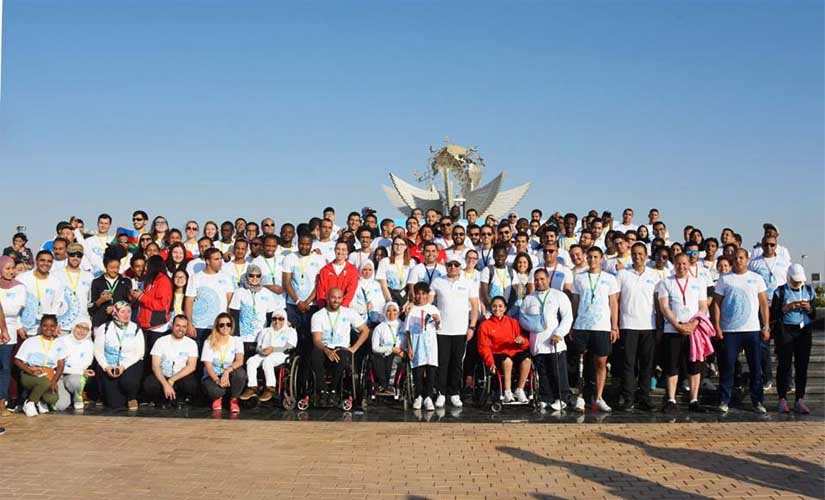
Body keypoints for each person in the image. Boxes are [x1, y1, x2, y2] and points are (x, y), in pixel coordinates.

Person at [712, 248, 770, 414]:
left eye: (741, 258)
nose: (738, 260)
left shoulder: (756, 278)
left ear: (747, 259)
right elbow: (716, 303)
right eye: (736, 258)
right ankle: (724, 400)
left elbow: (764, 304)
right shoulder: (725, 279)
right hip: (730, 330)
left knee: (755, 367)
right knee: (728, 366)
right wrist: (717, 326)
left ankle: (757, 401)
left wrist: (766, 325)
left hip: (752, 330)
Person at [657, 253, 709, 413]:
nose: (681, 267)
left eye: (684, 263)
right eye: (678, 264)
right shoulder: (666, 282)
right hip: (672, 330)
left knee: (694, 366)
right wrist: (677, 325)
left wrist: (694, 323)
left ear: (689, 264)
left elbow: (703, 306)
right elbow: (664, 307)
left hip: (694, 330)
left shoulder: (698, 282)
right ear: (674, 264)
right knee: (672, 365)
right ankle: (671, 399)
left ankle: (694, 399)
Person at [570, 246, 619, 412]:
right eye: (590, 257)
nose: (592, 260)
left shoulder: (610, 278)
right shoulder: (579, 278)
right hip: (582, 325)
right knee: (581, 363)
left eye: (596, 257)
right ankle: (580, 397)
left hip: (602, 326)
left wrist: (614, 326)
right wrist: (572, 323)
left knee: (601, 362)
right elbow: (575, 302)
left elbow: (613, 303)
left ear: (601, 259)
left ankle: (598, 397)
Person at [519, 268, 574, 411]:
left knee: (557, 372)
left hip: (554, 342)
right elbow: (522, 318)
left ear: (548, 279)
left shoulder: (559, 295)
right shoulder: (529, 298)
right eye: (536, 280)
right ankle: (545, 398)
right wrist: (533, 325)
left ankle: (562, 398)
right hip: (537, 343)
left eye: (542, 279)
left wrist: (559, 333)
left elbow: (568, 317)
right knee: (542, 373)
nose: (539, 282)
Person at [615, 242, 661, 411]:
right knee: (628, 364)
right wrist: (615, 324)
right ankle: (628, 398)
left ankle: (644, 397)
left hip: (649, 325)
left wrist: (660, 325)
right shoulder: (622, 274)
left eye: (641, 254)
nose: (637, 257)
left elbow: (658, 302)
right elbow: (616, 300)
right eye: (634, 253)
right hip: (628, 324)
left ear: (646, 256)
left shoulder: (654, 275)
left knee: (647, 364)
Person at [429, 258, 479, 408]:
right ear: (446, 266)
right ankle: (441, 393)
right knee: (442, 363)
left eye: (456, 265)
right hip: (442, 330)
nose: (453, 267)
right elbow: (429, 303)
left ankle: (455, 393)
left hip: (461, 330)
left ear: (460, 266)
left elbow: (475, 306)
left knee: (457, 363)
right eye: (449, 265)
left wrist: (472, 327)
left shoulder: (468, 282)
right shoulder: (437, 281)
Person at [309, 288, 370, 408]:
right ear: (327, 298)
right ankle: (322, 391)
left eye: (339, 298)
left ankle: (334, 391)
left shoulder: (349, 313)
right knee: (315, 355)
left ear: (342, 299)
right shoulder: (318, 316)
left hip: (342, 348)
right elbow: (316, 340)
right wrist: (327, 351)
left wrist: (354, 348)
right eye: (333, 297)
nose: (336, 300)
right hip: (324, 348)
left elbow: (365, 330)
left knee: (342, 356)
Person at [748, 234, 791, 391]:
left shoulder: (784, 262)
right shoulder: (754, 263)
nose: (769, 247)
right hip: (762, 305)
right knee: (763, 345)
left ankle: (788, 380)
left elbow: (791, 282)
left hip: (780, 306)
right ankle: (767, 377)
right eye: (766, 244)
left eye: (772, 245)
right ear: (762, 245)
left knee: (784, 345)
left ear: (776, 246)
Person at [770, 264, 814, 414]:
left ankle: (799, 399)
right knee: (784, 365)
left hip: (804, 331)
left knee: (802, 365)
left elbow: (814, 314)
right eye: (794, 280)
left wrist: (809, 308)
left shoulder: (809, 291)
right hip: (785, 331)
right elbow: (773, 314)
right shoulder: (780, 291)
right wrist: (787, 308)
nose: (797, 283)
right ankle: (782, 398)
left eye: (799, 280)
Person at [478, 296, 531, 403]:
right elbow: (483, 347)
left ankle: (519, 389)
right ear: (491, 308)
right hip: (498, 353)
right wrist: (490, 362)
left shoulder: (513, 322)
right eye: (494, 306)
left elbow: (524, 342)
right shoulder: (485, 325)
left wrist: (522, 341)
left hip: (514, 351)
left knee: (527, 360)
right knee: (507, 361)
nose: (497, 309)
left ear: (505, 308)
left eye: (500, 306)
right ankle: (507, 391)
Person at [94, 301, 145, 410]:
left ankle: (132, 397)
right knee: (115, 404)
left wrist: (123, 366)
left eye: (129, 311)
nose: (126, 315)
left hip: (129, 364)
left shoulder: (135, 328)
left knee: (128, 382)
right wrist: (106, 367)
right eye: (122, 312)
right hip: (110, 365)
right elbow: (98, 351)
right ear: (115, 313)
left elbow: (140, 353)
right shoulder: (105, 328)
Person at [14, 314, 67, 416]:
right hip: (30, 374)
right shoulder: (31, 341)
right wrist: (30, 371)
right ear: (40, 326)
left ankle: (40, 401)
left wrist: (54, 382)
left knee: (52, 398)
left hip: (49, 375)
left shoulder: (59, 343)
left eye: (52, 326)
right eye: (45, 325)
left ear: (56, 327)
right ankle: (30, 402)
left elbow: (60, 366)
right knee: (44, 382)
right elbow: (17, 361)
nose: (48, 328)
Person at [240, 309, 297, 402]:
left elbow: (290, 347)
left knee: (268, 361)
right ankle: (252, 386)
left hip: (281, 354)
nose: (277, 321)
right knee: (251, 361)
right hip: (264, 353)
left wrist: (273, 349)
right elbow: (258, 347)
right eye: (274, 319)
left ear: (285, 319)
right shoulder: (265, 331)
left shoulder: (290, 331)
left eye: (281, 319)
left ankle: (270, 387)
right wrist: (262, 352)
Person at [282, 234, 326, 353]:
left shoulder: (319, 259)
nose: (304, 247)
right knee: (294, 336)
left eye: (307, 244)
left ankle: (307, 364)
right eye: (301, 244)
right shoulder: (289, 258)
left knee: (310, 337)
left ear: (311, 245)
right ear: (297, 243)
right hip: (293, 304)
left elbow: (319, 284)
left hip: (311, 305)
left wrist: (306, 302)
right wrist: (298, 302)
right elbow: (286, 282)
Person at [184, 248, 234, 352]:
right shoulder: (195, 278)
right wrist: (189, 324)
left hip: (219, 326)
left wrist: (228, 324)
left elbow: (230, 302)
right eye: (216, 259)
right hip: (199, 326)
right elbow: (189, 302)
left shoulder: (226, 277)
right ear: (207, 261)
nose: (220, 262)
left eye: (220, 259)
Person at [143, 315, 199, 407]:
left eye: (184, 326)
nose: (180, 329)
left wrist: (172, 380)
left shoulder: (191, 343)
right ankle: (160, 400)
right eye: (178, 325)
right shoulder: (161, 341)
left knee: (191, 385)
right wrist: (165, 384)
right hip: (163, 375)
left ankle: (180, 399)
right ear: (172, 326)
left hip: (180, 376)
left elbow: (191, 366)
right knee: (149, 384)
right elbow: (155, 366)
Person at [403, 282, 440, 411]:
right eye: (418, 294)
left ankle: (429, 397)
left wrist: (437, 321)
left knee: (431, 371)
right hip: (417, 345)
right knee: (418, 371)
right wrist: (409, 348)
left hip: (430, 346)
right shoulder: (411, 310)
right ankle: (418, 396)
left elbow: (438, 327)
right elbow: (407, 331)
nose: (421, 296)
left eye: (423, 294)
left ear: (427, 295)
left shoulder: (433, 309)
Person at [229, 264, 279, 358]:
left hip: (261, 337)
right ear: (247, 276)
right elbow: (234, 315)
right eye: (251, 275)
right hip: (243, 338)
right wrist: (236, 336)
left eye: (258, 276)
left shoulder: (267, 293)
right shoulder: (239, 292)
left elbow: (271, 315)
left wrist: (269, 336)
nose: (254, 278)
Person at [201, 313, 246, 412]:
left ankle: (233, 399)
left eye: (228, 324)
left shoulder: (237, 340)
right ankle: (218, 397)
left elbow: (239, 360)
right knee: (216, 391)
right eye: (221, 325)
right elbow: (208, 365)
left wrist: (227, 371)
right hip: (213, 375)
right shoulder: (209, 342)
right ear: (217, 327)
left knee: (240, 374)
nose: (225, 327)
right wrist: (217, 380)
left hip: (229, 373)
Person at [0, 255, 26, 416]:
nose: (11, 272)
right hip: (5, 327)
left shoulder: (19, 287)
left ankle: (2, 402)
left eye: (12, 268)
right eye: (7, 268)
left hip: (8, 332)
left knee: (4, 368)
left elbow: (13, 310)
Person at [17, 250, 64, 336]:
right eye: (42, 260)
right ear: (36, 260)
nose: (45, 263)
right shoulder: (22, 278)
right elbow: (15, 305)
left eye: (49, 261)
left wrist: (54, 325)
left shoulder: (56, 282)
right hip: (23, 328)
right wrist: (18, 326)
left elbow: (56, 306)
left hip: (45, 330)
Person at [55, 320, 95, 411]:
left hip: (74, 376)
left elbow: (85, 365)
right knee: (60, 406)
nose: (81, 331)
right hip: (58, 376)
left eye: (85, 329)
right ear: (73, 327)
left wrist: (76, 371)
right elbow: (56, 365)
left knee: (76, 381)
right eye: (79, 327)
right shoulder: (60, 341)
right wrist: (80, 371)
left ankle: (77, 397)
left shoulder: (89, 345)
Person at [89, 249, 133, 327]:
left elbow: (129, 304)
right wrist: (101, 300)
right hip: (101, 323)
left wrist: (131, 298)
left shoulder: (126, 281)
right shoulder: (97, 282)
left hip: (120, 324)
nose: (115, 270)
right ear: (105, 266)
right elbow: (91, 308)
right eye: (112, 268)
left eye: (117, 267)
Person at [371, 302, 404, 396]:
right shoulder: (379, 328)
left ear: (398, 312)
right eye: (388, 311)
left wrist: (403, 351)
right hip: (383, 354)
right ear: (385, 313)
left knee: (394, 358)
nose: (391, 313)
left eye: (394, 310)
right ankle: (383, 385)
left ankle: (390, 385)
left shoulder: (403, 326)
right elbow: (374, 347)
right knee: (375, 358)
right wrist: (390, 349)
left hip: (399, 354)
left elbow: (407, 342)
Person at [316, 241, 359, 309]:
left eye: (343, 250)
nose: (340, 252)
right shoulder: (325, 270)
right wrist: (323, 308)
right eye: (338, 249)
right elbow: (320, 291)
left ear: (347, 252)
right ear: (334, 250)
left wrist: (342, 308)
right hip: (327, 308)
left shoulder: (352, 270)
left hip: (344, 309)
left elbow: (351, 291)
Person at [376, 236, 414, 309]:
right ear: (392, 246)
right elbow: (383, 285)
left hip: (406, 298)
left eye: (401, 244)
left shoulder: (412, 262)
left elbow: (412, 285)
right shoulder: (384, 262)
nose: (398, 247)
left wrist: (408, 301)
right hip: (390, 296)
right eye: (396, 244)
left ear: (406, 246)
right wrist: (390, 302)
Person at [480, 245, 515, 315]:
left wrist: (504, 310)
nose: (500, 258)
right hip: (491, 312)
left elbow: (514, 294)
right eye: (497, 256)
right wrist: (496, 310)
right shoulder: (487, 270)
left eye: (502, 256)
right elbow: (485, 294)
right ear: (493, 256)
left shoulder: (512, 271)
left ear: (506, 256)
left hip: (506, 312)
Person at [352, 260, 385, 325]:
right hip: (359, 317)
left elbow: (381, 301)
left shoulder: (376, 284)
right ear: (360, 270)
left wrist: (373, 305)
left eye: (370, 270)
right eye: (365, 269)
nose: (367, 272)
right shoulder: (355, 284)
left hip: (374, 318)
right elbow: (352, 303)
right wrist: (364, 308)